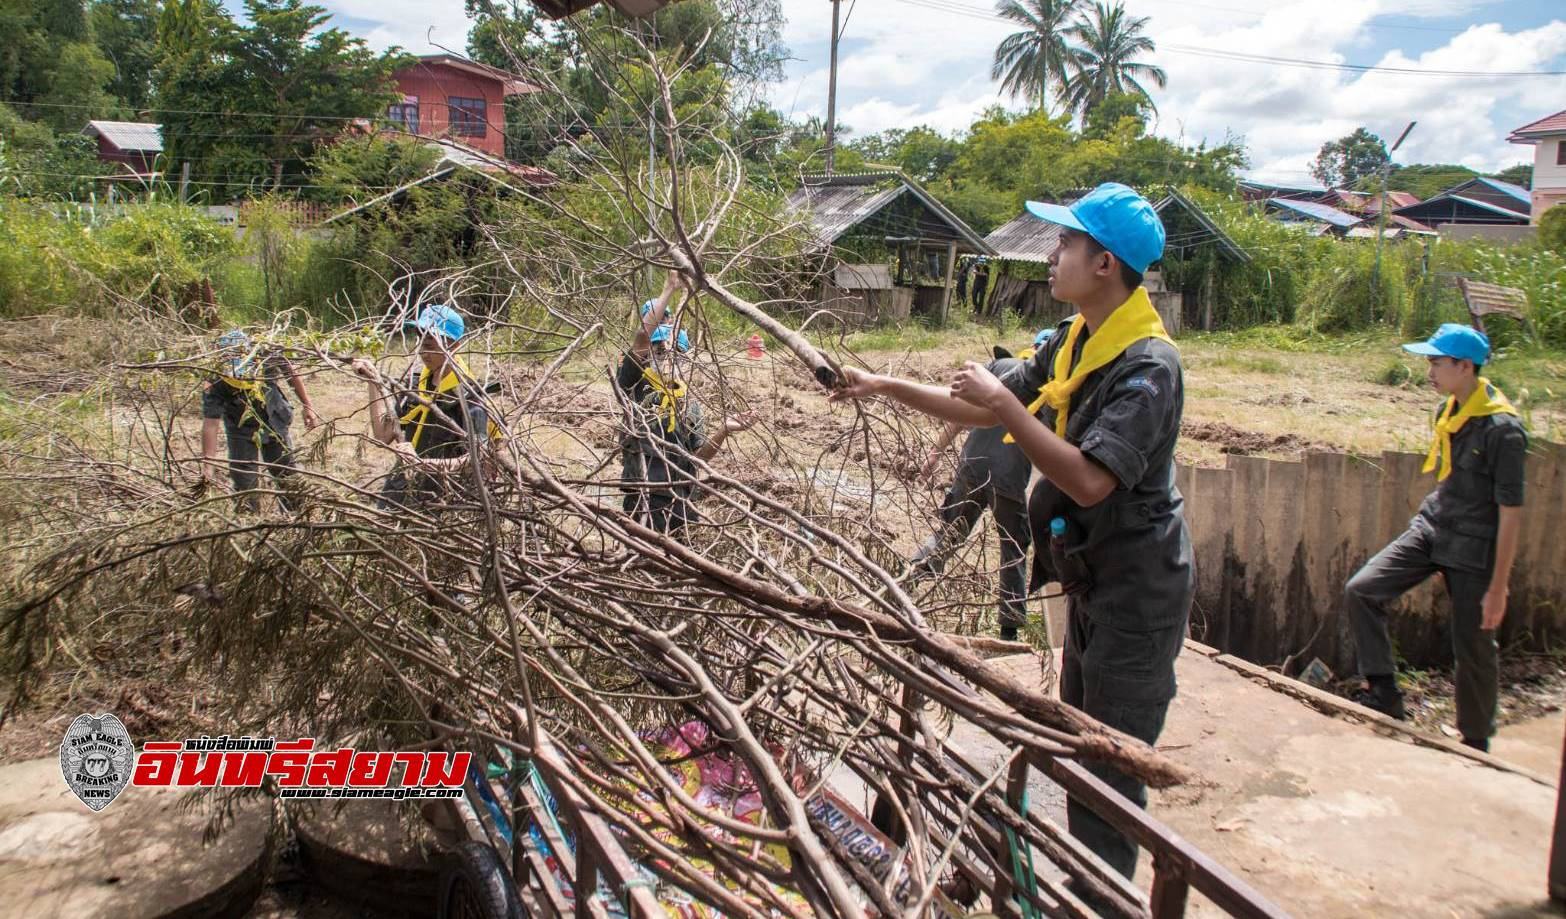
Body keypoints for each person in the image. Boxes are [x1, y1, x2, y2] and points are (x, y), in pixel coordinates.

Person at [830, 182, 1189, 886]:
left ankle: (1103, 899)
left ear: (1106, 264)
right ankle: (1089, 889)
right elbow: (977, 409)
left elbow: (1090, 480)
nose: (1052, 254)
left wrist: (1006, 409)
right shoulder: (1075, 342)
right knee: (1081, 746)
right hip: (1087, 577)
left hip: (1136, 591)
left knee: (1108, 777)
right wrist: (879, 383)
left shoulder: (1148, 367)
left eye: (1066, 242)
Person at [1344, 323, 1526, 753]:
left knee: (1474, 644)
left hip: (1474, 547)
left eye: (1436, 362)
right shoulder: (1452, 409)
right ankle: (1385, 693)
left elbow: (1512, 514)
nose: (1429, 370)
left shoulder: (1503, 431)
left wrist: (1498, 587)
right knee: (1362, 590)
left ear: (1465, 367)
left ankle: (1475, 742)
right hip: (1434, 527)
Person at [910, 329, 1054, 642]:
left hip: (972, 466)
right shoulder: (1052, 386)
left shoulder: (998, 368)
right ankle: (1009, 630)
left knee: (950, 532)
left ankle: (905, 583)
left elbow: (959, 414)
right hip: (1009, 479)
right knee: (1013, 549)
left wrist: (936, 452)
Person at [614, 272, 758, 534]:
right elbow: (641, 338)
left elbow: (698, 457)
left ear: (685, 359)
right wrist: (669, 288)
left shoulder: (689, 406)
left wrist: (725, 430)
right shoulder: (635, 386)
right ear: (648, 357)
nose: (667, 359)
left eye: (675, 355)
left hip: (682, 502)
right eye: (659, 353)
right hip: (643, 498)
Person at [350, 304, 495, 508]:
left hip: (439, 504)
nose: (423, 351)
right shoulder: (415, 386)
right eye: (421, 340)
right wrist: (373, 382)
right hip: (399, 493)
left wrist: (423, 464)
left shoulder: (469, 397)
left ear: (454, 345)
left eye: (431, 341)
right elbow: (383, 434)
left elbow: (476, 460)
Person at [200, 329, 320, 511]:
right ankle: (250, 520)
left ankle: (294, 519)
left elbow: (291, 374)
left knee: (285, 471)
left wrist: (308, 405)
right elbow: (211, 424)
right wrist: (208, 465)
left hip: (272, 418)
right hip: (239, 426)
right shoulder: (215, 379)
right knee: (243, 478)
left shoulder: (265, 353)